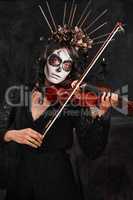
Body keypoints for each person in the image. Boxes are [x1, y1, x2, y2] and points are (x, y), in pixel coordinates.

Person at [0, 5, 118, 200]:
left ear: (70, 71)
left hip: (57, 183)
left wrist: (102, 115)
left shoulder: (73, 101)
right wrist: (12, 134)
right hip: (21, 181)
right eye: (55, 61)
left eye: (66, 65)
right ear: (45, 59)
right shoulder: (18, 93)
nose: (58, 69)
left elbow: (92, 150)